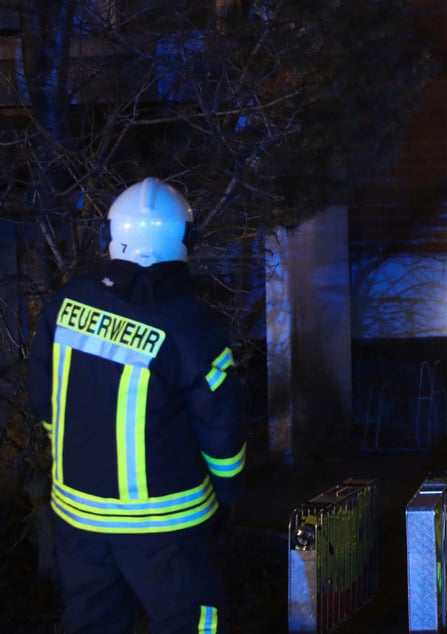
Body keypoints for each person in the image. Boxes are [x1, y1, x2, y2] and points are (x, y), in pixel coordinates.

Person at [28, 178, 246, 633]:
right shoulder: (190, 327)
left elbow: (46, 402)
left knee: (92, 620)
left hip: (78, 513)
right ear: (184, 239)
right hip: (165, 521)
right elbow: (221, 433)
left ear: (113, 232)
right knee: (190, 621)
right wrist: (227, 495)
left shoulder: (67, 303)